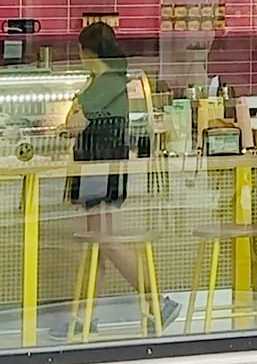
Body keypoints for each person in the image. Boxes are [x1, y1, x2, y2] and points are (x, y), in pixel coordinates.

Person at [65, 23, 179, 334]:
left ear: (87, 52)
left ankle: (158, 299)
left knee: (105, 241)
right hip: (103, 167)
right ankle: (83, 319)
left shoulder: (105, 82)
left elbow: (73, 125)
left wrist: (74, 111)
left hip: (98, 167)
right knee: (98, 244)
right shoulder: (112, 80)